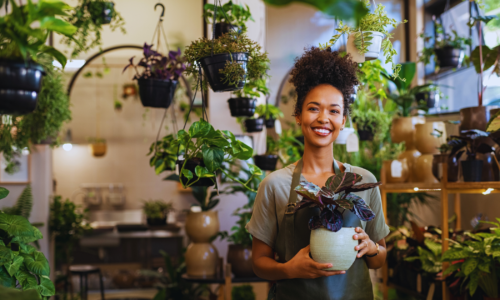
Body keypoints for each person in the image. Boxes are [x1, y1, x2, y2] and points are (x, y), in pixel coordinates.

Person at [246, 47, 390, 299]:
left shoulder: (363, 181)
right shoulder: (274, 185)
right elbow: (259, 262)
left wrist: (371, 248)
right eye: (314, 108)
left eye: (334, 111)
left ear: (343, 120)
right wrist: (289, 269)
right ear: (299, 115)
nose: (324, 118)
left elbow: (379, 260)